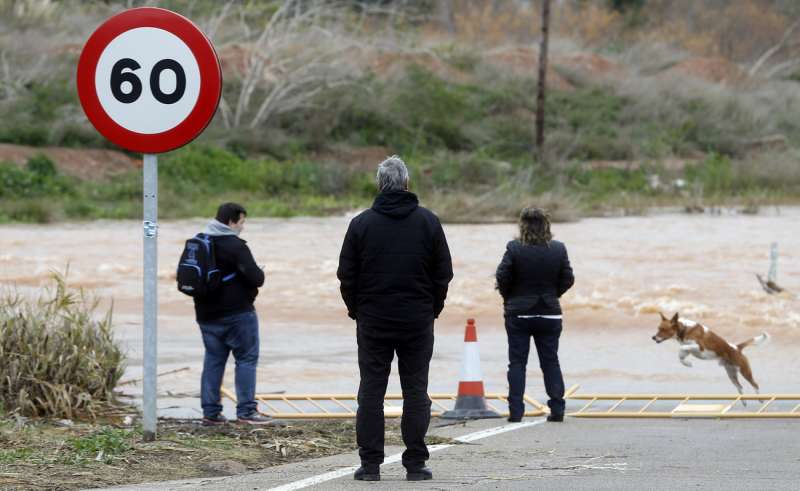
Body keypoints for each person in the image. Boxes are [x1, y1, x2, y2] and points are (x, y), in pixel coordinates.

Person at [337, 156, 453, 482]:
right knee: (416, 392)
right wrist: (433, 309)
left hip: (373, 321)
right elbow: (443, 274)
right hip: (417, 320)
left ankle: (370, 466)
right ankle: (415, 464)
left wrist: (356, 311)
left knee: (371, 393)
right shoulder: (428, 222)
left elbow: (347, 276)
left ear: (379, 184)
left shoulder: (361, 224)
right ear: (406, 184)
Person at [195, 202, 271, 426]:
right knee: (246, 359)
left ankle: (210, 413)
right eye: (241, 222)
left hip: (206, 314)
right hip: (237, 314)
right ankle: (246, 411)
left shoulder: (200, 241)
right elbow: (257, 278)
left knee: (213, 360)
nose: (242, 227)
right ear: (231, 221)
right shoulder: (235, 246)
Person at [495, 207, 574, 423]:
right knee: (551, 362)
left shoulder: (514, 248)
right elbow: (568, 278)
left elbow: (502, 276)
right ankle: (557, 410)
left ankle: (516, 412)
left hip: (519, 313)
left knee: (517, 363)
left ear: (522, 225)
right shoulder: (558, 249)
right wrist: (552, 294)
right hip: (550, 313)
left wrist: (509, 298)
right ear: (547, 225)